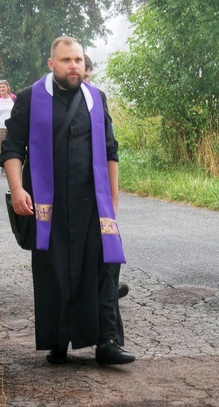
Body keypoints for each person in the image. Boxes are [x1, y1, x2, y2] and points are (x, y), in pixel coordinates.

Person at [1, 36, 135, 365]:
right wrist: (18, 189)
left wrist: (112, 203)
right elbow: (13, 148)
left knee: (105, 265)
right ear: (51, 64)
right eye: (65, 60)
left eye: (77, 60)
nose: (72, 66)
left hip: (93, 202)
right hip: (48, 203)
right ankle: (58, 340)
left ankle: (108, 342)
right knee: (54, 270)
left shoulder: (95, 98)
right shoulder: (32, 98)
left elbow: (111, 151)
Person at [83, 52, 129, 300]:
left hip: (98, 183)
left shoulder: (97, 99)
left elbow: (112, 146)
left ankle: (111, 287)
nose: (85, 81)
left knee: (111, 239)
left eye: (88, 76)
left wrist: (114, 195)